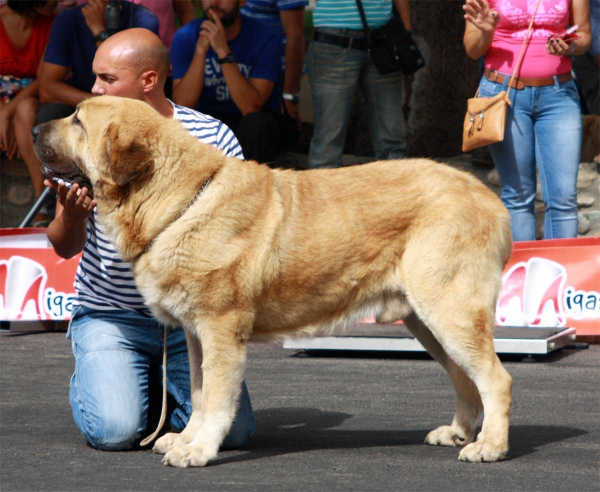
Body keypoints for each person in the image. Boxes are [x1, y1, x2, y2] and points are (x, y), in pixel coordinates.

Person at [43, 28, 254, 451]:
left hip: (186, 322)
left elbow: (240, 236)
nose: (94, 87)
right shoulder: (81, 134)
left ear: (149, 81)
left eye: (107, 78)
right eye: (95, 77)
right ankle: (104, 374)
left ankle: (152, 384)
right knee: (115, 431)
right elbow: (63, 246)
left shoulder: (213, 136)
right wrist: (74, 215)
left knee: (234, 433)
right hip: (112, 315)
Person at [463, 0, 591, 241]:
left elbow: (584, 36)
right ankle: (522, 275)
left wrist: (570, 46)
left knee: (564, 198)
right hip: (504, 95)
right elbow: (472, 49)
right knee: (517, 196)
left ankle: (561, 274)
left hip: (559, 95)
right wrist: (486, 30)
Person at [171, 0, 284, 164]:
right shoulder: (185, 36)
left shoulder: (266, 37)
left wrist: (223, 51)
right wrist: (200, 51)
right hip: (207, 121)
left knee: (257, 124)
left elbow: (250, 106)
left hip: (247, 125)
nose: (214, 2)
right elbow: (182, 104)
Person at [306, 0, 411, 169]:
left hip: (385, 38)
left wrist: (405, 30)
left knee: (392, 145)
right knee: (327, 145)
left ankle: (397, 194)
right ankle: (320, 195)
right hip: (333, 40)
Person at [0, 0, 55, 223]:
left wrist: (7, 113)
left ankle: (40, 200)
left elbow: (45, 77)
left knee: (25, 110)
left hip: (32, 95)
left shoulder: (53, 24)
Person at [241, 0, 307, 123]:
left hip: (271, 75)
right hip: (237, 66)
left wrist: (289, 94)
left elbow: (295, 37)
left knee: (262, 130)